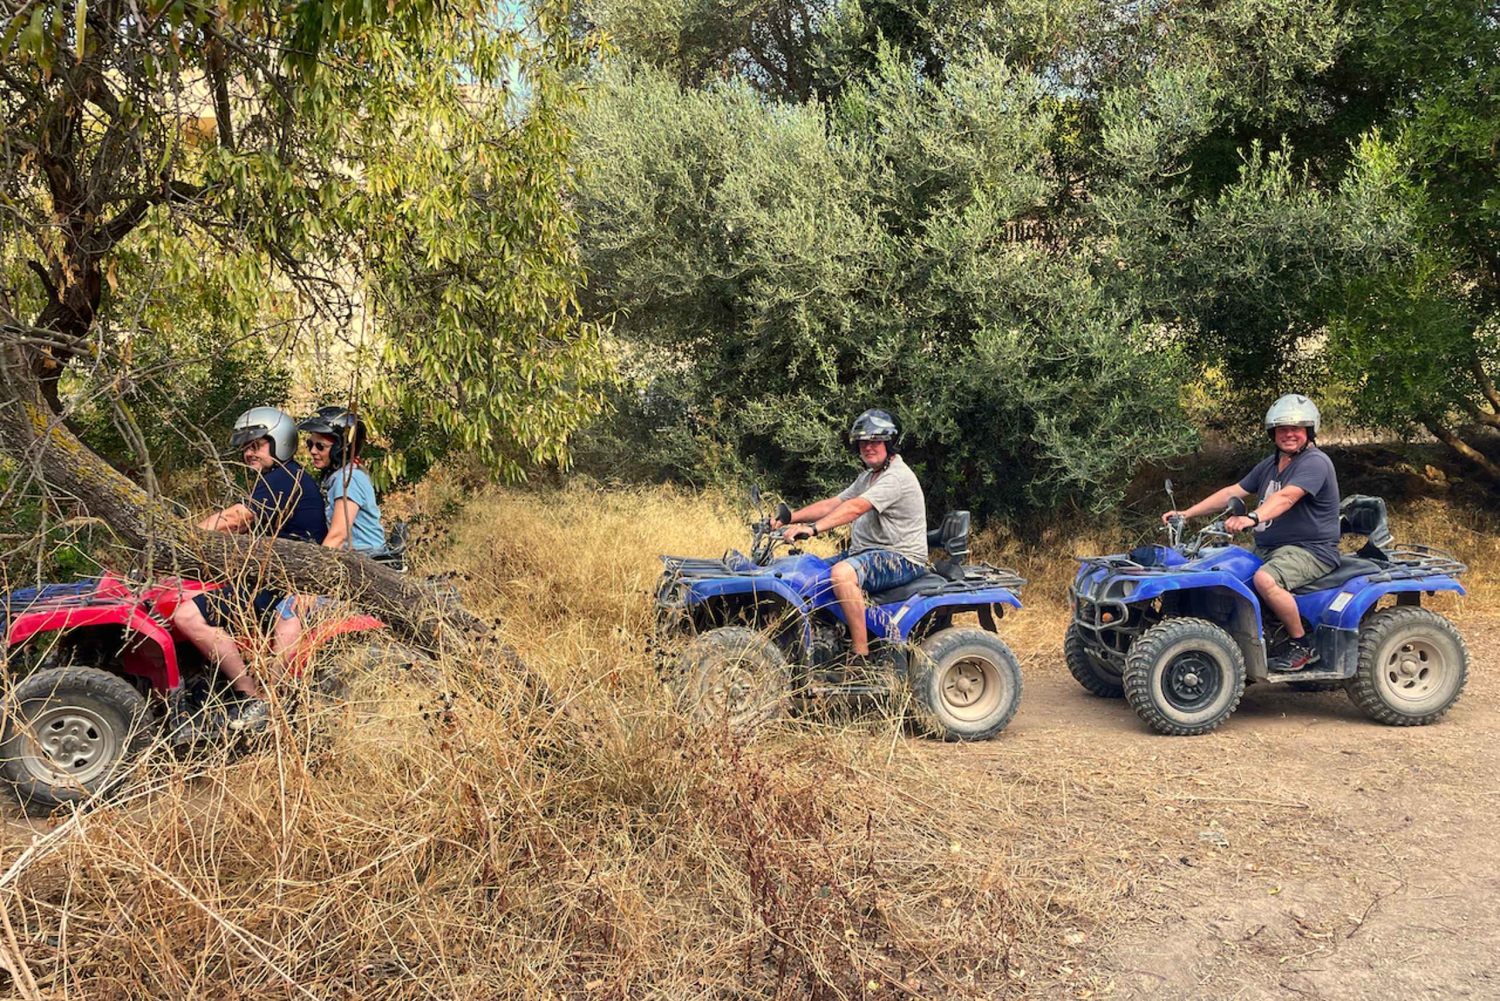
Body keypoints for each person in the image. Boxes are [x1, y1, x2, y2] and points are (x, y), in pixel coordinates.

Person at [170, 406, 327, 730]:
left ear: (279, 441)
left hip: (288, 582)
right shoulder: (278, 479)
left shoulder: (284, 479)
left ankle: (252, 699)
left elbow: (236, 518)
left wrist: (181, 539)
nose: (248, 453)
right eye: (245, 447)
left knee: (185, 615)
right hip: (276, 576)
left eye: (256, 445)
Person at [1161, 394, 1341, 672]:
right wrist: (1187, 513)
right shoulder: (1270, 464)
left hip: (1311, 550)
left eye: (1296, 429)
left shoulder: (1315, 463)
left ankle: (1302, 645)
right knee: (1222, 572)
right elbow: (1233, 492)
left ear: (1310, 431)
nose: (1289, 435)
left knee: (1265, 580)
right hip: (1271, 548)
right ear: (1273, 433)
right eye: (1282, 429)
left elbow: (1287, 498)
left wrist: (1252, 518)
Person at [777, 409, 928, 667]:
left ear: (889, 443)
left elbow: (855, 508)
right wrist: (788, 518)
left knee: (841, 575)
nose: (868, 447)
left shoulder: (896, 477)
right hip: (867, 551)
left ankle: (859, 656)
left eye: (875, 441)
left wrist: (813, 529)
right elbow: (833, 504)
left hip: (901, 556)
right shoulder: (869, 477)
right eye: (863, 443)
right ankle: (824, 639)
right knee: (807, 572)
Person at [268, 406, 390, 654]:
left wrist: (309, 585)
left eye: (320, 446)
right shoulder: (341, 476)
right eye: (309, 444)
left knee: (290, 610)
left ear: (340, 448)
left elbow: (338, 534)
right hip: (351, 564)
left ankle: (273, 686)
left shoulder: (349, 479)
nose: (312, 451)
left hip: (360, 566)